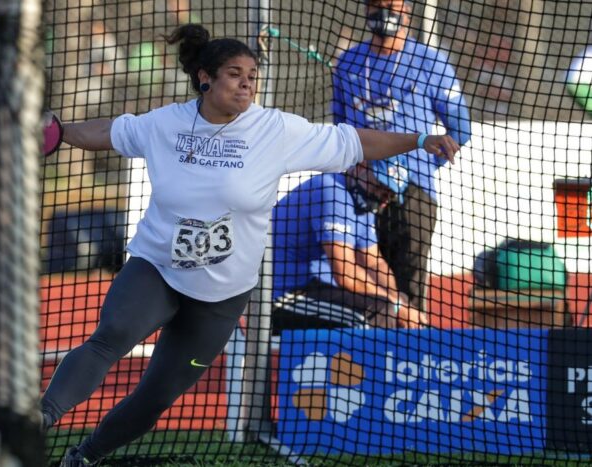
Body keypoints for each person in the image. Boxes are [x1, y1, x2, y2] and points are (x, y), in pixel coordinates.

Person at [42, 23, 460, 467]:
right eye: (235, 73)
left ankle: (82, 458)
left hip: (222, 296)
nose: (246, 83)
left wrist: (418, 140)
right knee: (110, 339)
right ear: (205, 78)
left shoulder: (274, 130)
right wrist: (59, 131)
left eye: (252, 75)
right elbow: (110, 132)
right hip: (158, 268)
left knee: (156, 396)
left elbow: (354, 141)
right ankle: (38, 420)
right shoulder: (166, 123)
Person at [332, 0, 472, 312]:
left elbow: (460, 128)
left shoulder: (430, 62)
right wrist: (357, 171)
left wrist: (421, 168)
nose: (384, 12)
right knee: (365, 286)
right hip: (358, 190)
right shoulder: (349, 62)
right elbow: (338, 130)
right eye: (375, 5)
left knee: (409, 287)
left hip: (413, 193)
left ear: (406, 9)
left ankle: (409, 350)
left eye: (391, 5)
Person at [272, 159, 426, 330]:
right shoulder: (331, 191)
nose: (382, 199)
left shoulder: (364, 204)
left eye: (389, 194)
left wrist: (398, 299)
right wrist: (396, 305)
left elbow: (375, 262)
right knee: (378, 312)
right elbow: (345, 273)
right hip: (286, 295)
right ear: (361, 168)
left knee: (398, 303)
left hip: (322, 289)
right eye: (380, 186)